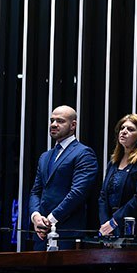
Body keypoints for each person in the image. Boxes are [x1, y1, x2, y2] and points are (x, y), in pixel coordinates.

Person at [29, 105, 99, 249]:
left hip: (67, 232)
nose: (54, 124)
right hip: (41, 233)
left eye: (60, 121)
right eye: (52, 120)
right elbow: (36, 191)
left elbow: (78, 193)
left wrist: (51, 219)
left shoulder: (84, 154)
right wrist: (35, 217)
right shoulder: (45, 156)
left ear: (73, 125)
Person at [97, 114, 137, 236]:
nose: (124, 132)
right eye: (122, 128)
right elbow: (103, 197)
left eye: (130, 129)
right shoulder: (113, 162)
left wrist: (115, 221)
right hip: (111, 229)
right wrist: (106, 224)